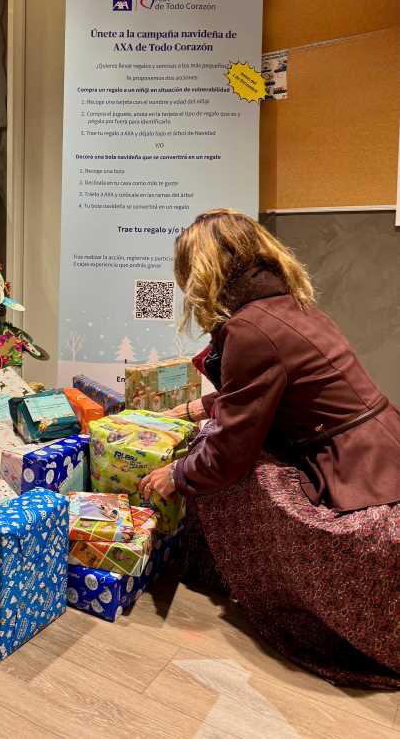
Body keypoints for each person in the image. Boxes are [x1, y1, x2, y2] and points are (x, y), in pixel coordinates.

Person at [139, 209, 400, 687]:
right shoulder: (287, 306)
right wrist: (200, 408)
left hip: (358, 462)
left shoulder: (249, 328)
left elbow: (230, 453)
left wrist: (175, 476)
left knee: (230, 472)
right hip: (381, 441)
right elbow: (270, 388)